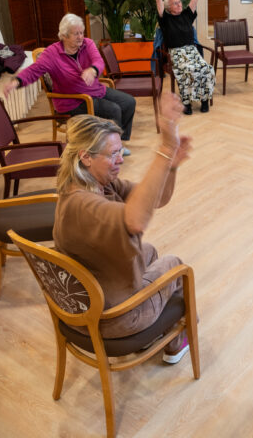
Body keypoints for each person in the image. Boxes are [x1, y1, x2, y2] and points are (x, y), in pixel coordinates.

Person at [52, 92, 192, 363]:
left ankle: (157, 330)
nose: (121, 159)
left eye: (121, 151)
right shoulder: (82, 205)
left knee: (148, 251)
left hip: (91, 300)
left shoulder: (95, 183)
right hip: (112, 318)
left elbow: (156, 199)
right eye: (113, 154)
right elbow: (136, 219)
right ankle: (175, 342)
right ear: (86, 157)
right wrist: (164, 148)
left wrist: (171, 166)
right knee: (176, 266)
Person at [5, 13, 136, 154]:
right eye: (76, 34)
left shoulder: (87, 44)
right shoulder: (52, 54)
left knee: (128, 102)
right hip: (72, 100)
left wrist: (92, 70)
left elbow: (99, 61)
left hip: (95, 90)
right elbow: (33, 71)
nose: (81, 37)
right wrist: (17, 81)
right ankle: (113, 149)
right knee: (114, 110)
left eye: (81, 32)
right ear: (64, 36)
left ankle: (118, 141)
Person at [156, 0, 216, 115]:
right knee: (187, 70)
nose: (179, 4)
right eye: (175, 3)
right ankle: (187, 103)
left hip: (192, 51)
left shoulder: (186, 15)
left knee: (206, 68)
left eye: (179, 2)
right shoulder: (165, 19)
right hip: (176, 53)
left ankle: (204, 100)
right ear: (169, 7)